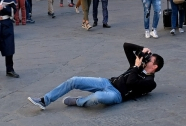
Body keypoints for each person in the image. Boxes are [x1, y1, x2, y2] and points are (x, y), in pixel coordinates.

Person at [27, 42, 163, 109]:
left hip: (117, 96)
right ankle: (45, 100)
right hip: (107, 82)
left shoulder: (150, 82)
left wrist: (135, 66)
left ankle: (78, 101)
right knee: (74, 80)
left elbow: (130, 83)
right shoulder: (138, 67)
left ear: (155, 67)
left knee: (97, 97)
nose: (146, 60)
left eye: (149, 60)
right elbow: (126, 46)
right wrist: (142, 49)